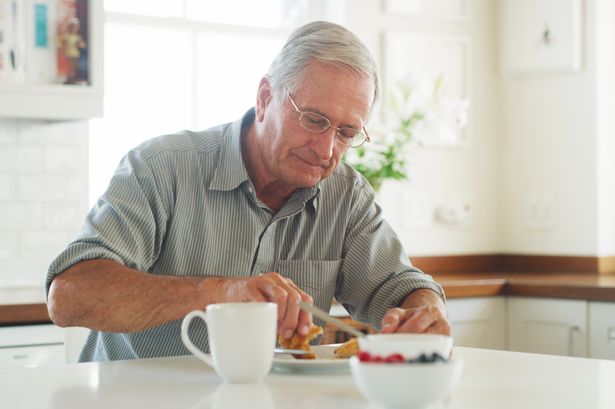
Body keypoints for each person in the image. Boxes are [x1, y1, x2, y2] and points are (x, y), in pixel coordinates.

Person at [46, 21, 451, 362]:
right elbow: (70, 296)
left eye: (346, 133)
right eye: (313, 120)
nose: (326, 149)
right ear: (264, 98)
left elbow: (397, 287)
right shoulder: (160, 166)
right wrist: (215, 291)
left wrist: (424, 312)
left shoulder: (346, 195)